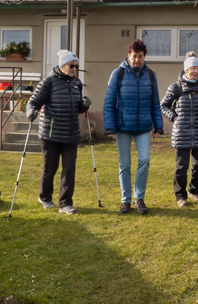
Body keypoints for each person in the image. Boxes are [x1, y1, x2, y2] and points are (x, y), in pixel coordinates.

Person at [103, 39, 164, 215]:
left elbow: (155, 103)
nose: (137, 59)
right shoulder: (118, 74)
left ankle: (139, 198)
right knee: (125, 164)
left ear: (144, 57)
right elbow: (108, 102)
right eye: (134, 56)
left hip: (144, 126)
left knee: (144, 160)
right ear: (128, 55)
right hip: (122, 126)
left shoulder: (151, 76)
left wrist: (158, 126)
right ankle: (125, 200)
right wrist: (110, 128)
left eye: (140, 56)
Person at [26, 50, 91, 214]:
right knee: (50, 167)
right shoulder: (49, 82)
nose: (74, 69)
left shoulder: (77, 83)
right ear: (62, 65)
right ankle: (45, 197)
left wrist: (84, 105)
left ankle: (65, 203)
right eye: (71, 65)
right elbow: (33, 101)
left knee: (69, 168)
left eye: (76, 66)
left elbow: (78, 108)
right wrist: (31, 110)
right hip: (51, 133)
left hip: (71, 133)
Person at [161, 52, 198, 207]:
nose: (195, 71)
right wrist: (173, 117)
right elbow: (163, 105)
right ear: (186, 69)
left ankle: (194, 191)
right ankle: (180, 196)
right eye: (193, 68)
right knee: (182, 166)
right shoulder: (175, 87)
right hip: (181, 133)